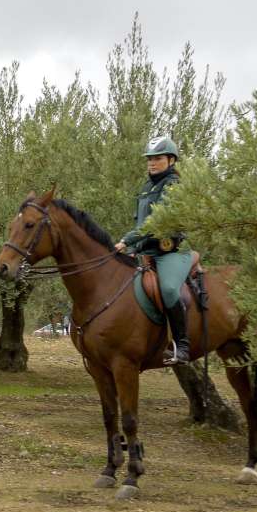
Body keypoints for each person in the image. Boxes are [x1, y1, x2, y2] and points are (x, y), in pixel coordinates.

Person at [113, 135, 192, 365]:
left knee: (168, 289)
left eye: (157, 158)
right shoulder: (148, 187)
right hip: (147, 252)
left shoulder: (173, 185)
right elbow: (141, 225)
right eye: (149, 158)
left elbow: (156, 223)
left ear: (171, 160)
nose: (152, 163)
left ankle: (182, 346)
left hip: (172, 252)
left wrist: (126, 241)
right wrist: (133, 248)